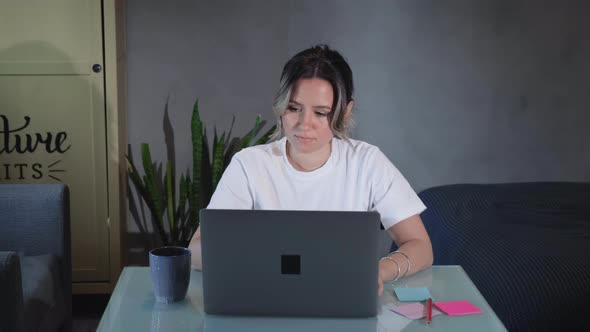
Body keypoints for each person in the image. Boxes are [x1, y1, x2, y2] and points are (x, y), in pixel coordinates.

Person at [189, 44, 433, 295]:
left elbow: (420, 246)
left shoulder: (367, 162)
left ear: (345, 112)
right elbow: (196, 249)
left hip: (343, 297)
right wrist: (255, 260)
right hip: (266, 296)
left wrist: (379, 271)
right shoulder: (249, 165)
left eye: (321, 113)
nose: (304, 125)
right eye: (294, 108)